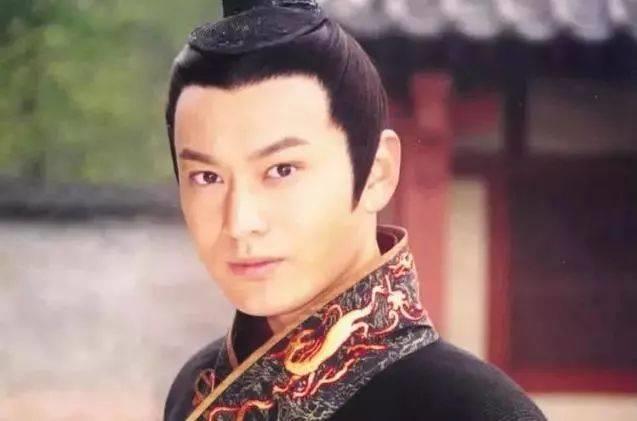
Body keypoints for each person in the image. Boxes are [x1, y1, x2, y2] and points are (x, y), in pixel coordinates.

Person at [163, 1, 547, 420]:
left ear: (378, 172)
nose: (240, 222)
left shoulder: (474, 410)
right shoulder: (198, 387)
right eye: (207, 177)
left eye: (281, 170)